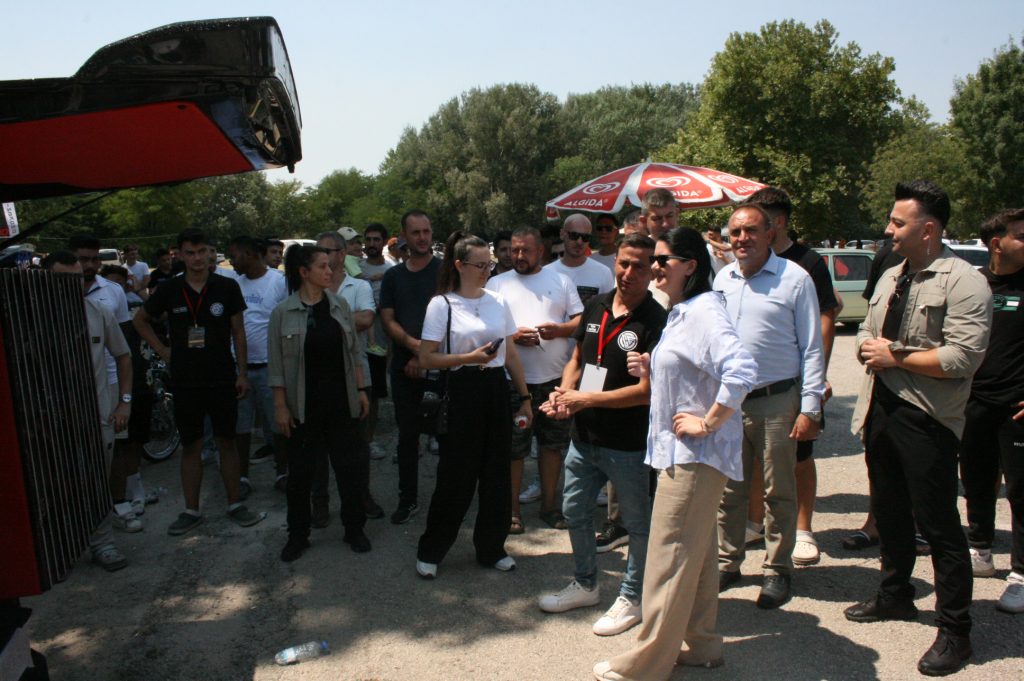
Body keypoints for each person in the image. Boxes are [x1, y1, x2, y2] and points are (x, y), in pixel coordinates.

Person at [593, 228, 756, 681]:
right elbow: (694, 367)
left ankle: (646, 664)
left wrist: (709, 421)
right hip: (686, 456)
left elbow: (741, 369)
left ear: (691, 266)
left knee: (668, 558)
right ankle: (702, 646)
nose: (655, 267)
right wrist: (654, 366)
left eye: (663, 259)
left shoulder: (704, 311)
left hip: (694, 458)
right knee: (697, 556)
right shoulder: (686, 309)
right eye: (655, 259)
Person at [846, 180, 991, 676]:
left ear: (928, 230)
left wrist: (896, 356)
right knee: (888, 510)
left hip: (927, 417)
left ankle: (956, 631)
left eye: (898, 222)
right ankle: (895, 594)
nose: (888, 230)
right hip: (880, 409)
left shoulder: (964, 281)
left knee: (938, 524)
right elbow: (868, 330)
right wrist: (868, 347)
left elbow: (963, 358)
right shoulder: (891, 273)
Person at [537, 234, 667, 637]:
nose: (628, 273)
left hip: (629, 444)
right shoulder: (596, 305)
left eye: (639, 266)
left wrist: (584, 398)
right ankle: (586, 584)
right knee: (575, 511)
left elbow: (647, 392)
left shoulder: (657, 320)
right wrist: (564, 392)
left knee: (637, 524)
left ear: (652, 271)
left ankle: (633, 597)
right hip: (584, 436)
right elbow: (577, 358)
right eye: (624, 263)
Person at [715, 203, 825, 609]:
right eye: (735, 232)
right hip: (731, 401)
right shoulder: (723, 278)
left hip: (777, 400)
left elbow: (812, 347)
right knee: (729, 490)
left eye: (750, 231)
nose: (742, 239)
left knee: (778, 491)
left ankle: (777, 569)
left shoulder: (794, 279)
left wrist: (810, 407)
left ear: (769, 234)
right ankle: (727, 562)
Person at [414, 232, 532, 578]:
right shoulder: (442, 305)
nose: (486, 271)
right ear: (459, 265)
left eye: (489, 264)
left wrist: (525, 398)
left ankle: (492, 548)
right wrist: (469, 357)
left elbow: (510, 353)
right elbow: (426, 358)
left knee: (497, 474)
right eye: (480, 265)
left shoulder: (497, 301)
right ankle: (432, 550)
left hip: (495, 389)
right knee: (456, 475)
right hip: (461, 389)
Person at [134, 228, 264, 535]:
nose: (197, 258)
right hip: (185, 379)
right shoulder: (169, 288)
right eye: (190, 253)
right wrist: (163, 350)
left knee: (227, 441)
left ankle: (235, 504)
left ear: (210, 252)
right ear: (179, 255)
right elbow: (140, 320)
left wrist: (242, 373)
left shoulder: (227, 286)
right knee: (191, 445)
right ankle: (191, 510)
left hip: (221, 376)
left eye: (202, 251)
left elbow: (238, 332)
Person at [743, 187, 840, 567]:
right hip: (753, 388)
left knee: (800, 455)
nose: (747, 232)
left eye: (758, 222)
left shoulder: (807, 263)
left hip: (795, 382)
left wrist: (816, 380)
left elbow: (826, 318)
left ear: (777, 222)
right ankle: (755, 522)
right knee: (756, 458)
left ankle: (803, 530)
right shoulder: (744, 262)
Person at [269, 244, 371, 561]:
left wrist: (361, 390)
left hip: (341, 403)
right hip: (303, 408)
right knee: (300, 476)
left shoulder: (339, 305)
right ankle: (298, 535)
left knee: (349, 471)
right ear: (304, 272)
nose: (330, 271)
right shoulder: (282, 313)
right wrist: (281, 407)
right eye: (323, 266)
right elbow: (276, 367)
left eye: (330, 265)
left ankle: (354, 529)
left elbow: (354, 353)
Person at [43, 251, 135, 570]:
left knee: (97, 481)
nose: (72, 286)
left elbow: (123, 356)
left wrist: (124, 402)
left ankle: (102, 543)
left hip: (96, 414)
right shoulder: (29, 317)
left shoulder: (98, 312)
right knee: (53, 484)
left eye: (77, 279)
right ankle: (58, 547)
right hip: (47, 420)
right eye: (62, 280)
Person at [487, 226, 583, 531]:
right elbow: (485, 327)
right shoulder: (497, 283)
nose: (518, 255)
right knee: (514, 449)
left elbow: (580, 320)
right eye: (514, 249)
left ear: (540, 250)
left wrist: (559, 330)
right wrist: (512, 336)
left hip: (554, 380)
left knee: (552, 446)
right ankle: (512, 510)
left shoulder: (561, 281)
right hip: (513, 382)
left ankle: (549, 507)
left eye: (525, 250)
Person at [959, 208, 1024, 613]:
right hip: (973, 403)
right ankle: (980, 549)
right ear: (997, 244)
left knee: (1021, 489)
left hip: (1017, 407)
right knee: (977, 479)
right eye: (1022, 236)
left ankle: (1020, 574)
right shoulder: (974, 284)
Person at [316, 230, 383, 522]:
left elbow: (366, 319)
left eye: (328, 251)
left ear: (342, 254)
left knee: (358, 443)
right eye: (318, 251)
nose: (322, 256)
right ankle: (319, 501)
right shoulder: (308, 286)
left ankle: (361, 495)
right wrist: (345, 320)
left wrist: (320, 321)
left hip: (356, 373)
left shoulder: (360, 285)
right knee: (318, 444)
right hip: (318, 376)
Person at [380, 210, 442, 524]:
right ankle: (408, 499)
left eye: (426, 231)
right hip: (404, 368)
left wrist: (424, 355)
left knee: (446, 435)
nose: (422, 238)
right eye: (415, 232)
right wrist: (412, 347)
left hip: (441, 366)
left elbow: (454, 316)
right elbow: (388, 319)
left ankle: (448, 501)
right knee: (407, 437)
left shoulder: (446, 272)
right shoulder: (393, 276)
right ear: (403, 235)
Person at [226, 236, 288, 498]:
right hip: (240, 369)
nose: (231, 261)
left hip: (270, 366)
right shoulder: (234, 284)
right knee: (241, 427)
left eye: (234, 255)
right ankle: (242, 477)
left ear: (251, 254)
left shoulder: (279, 281)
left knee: (278, 423)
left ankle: (283, 473)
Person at [359, 223, 394, 459]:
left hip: (381, 341)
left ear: (383, 242)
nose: (372, 244)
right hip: (358, 339)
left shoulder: (392, 270)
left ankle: (368, 440)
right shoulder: (356, 268)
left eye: (376, 240)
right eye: (368, 239)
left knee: (373, 394)